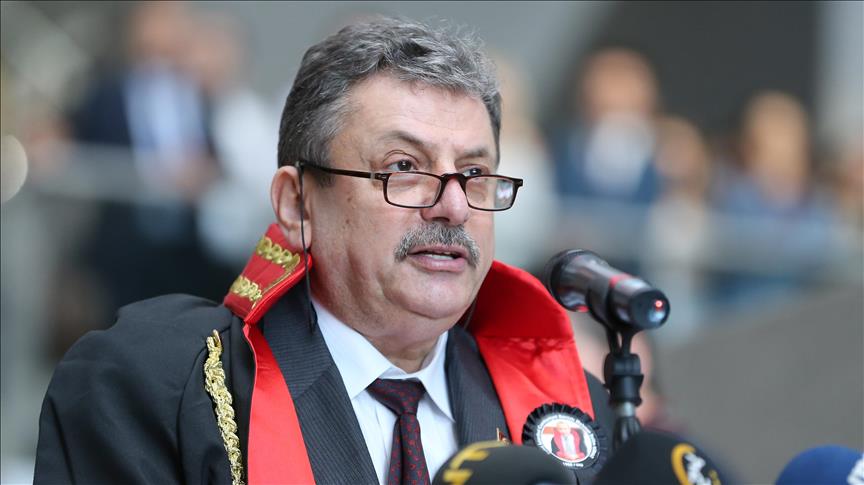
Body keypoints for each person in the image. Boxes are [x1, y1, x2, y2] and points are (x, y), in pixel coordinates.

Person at [34, 17, 615, 485]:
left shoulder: (565, 410)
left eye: (475, 174)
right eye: (404, 167)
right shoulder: (158, 384)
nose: (454, 206)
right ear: (296, 204)